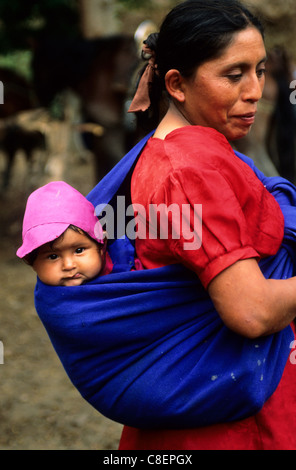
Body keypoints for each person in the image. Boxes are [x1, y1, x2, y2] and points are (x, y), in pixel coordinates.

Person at [117, 0, 296, 450]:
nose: (256, 90)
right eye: (234, 75)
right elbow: (250, 309)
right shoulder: (190, 170)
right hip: (228, 423)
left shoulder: (172, 151)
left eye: (259, 70)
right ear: (176, 84)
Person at [16, 181, 113, 285]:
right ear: (31, 262)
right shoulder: (48, 297)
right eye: (53, 256)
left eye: (79, 250)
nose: (68, 265)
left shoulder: (126, 277)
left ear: (102, 245)